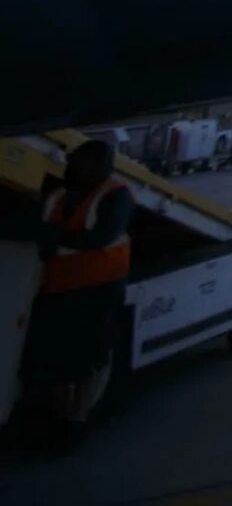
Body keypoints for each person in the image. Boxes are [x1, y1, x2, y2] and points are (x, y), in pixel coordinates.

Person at [10, 137, 134, 435]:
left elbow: (100, 237)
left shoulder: (117, 195)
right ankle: (58, 416)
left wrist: (55, 238)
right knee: (53, 357)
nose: (70, 167)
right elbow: (36, 227)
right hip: (58, 287)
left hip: (98, 287)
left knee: (85, 359)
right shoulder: (58, 196)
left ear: (97, 167)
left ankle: (75, 422)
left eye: (78, 164)